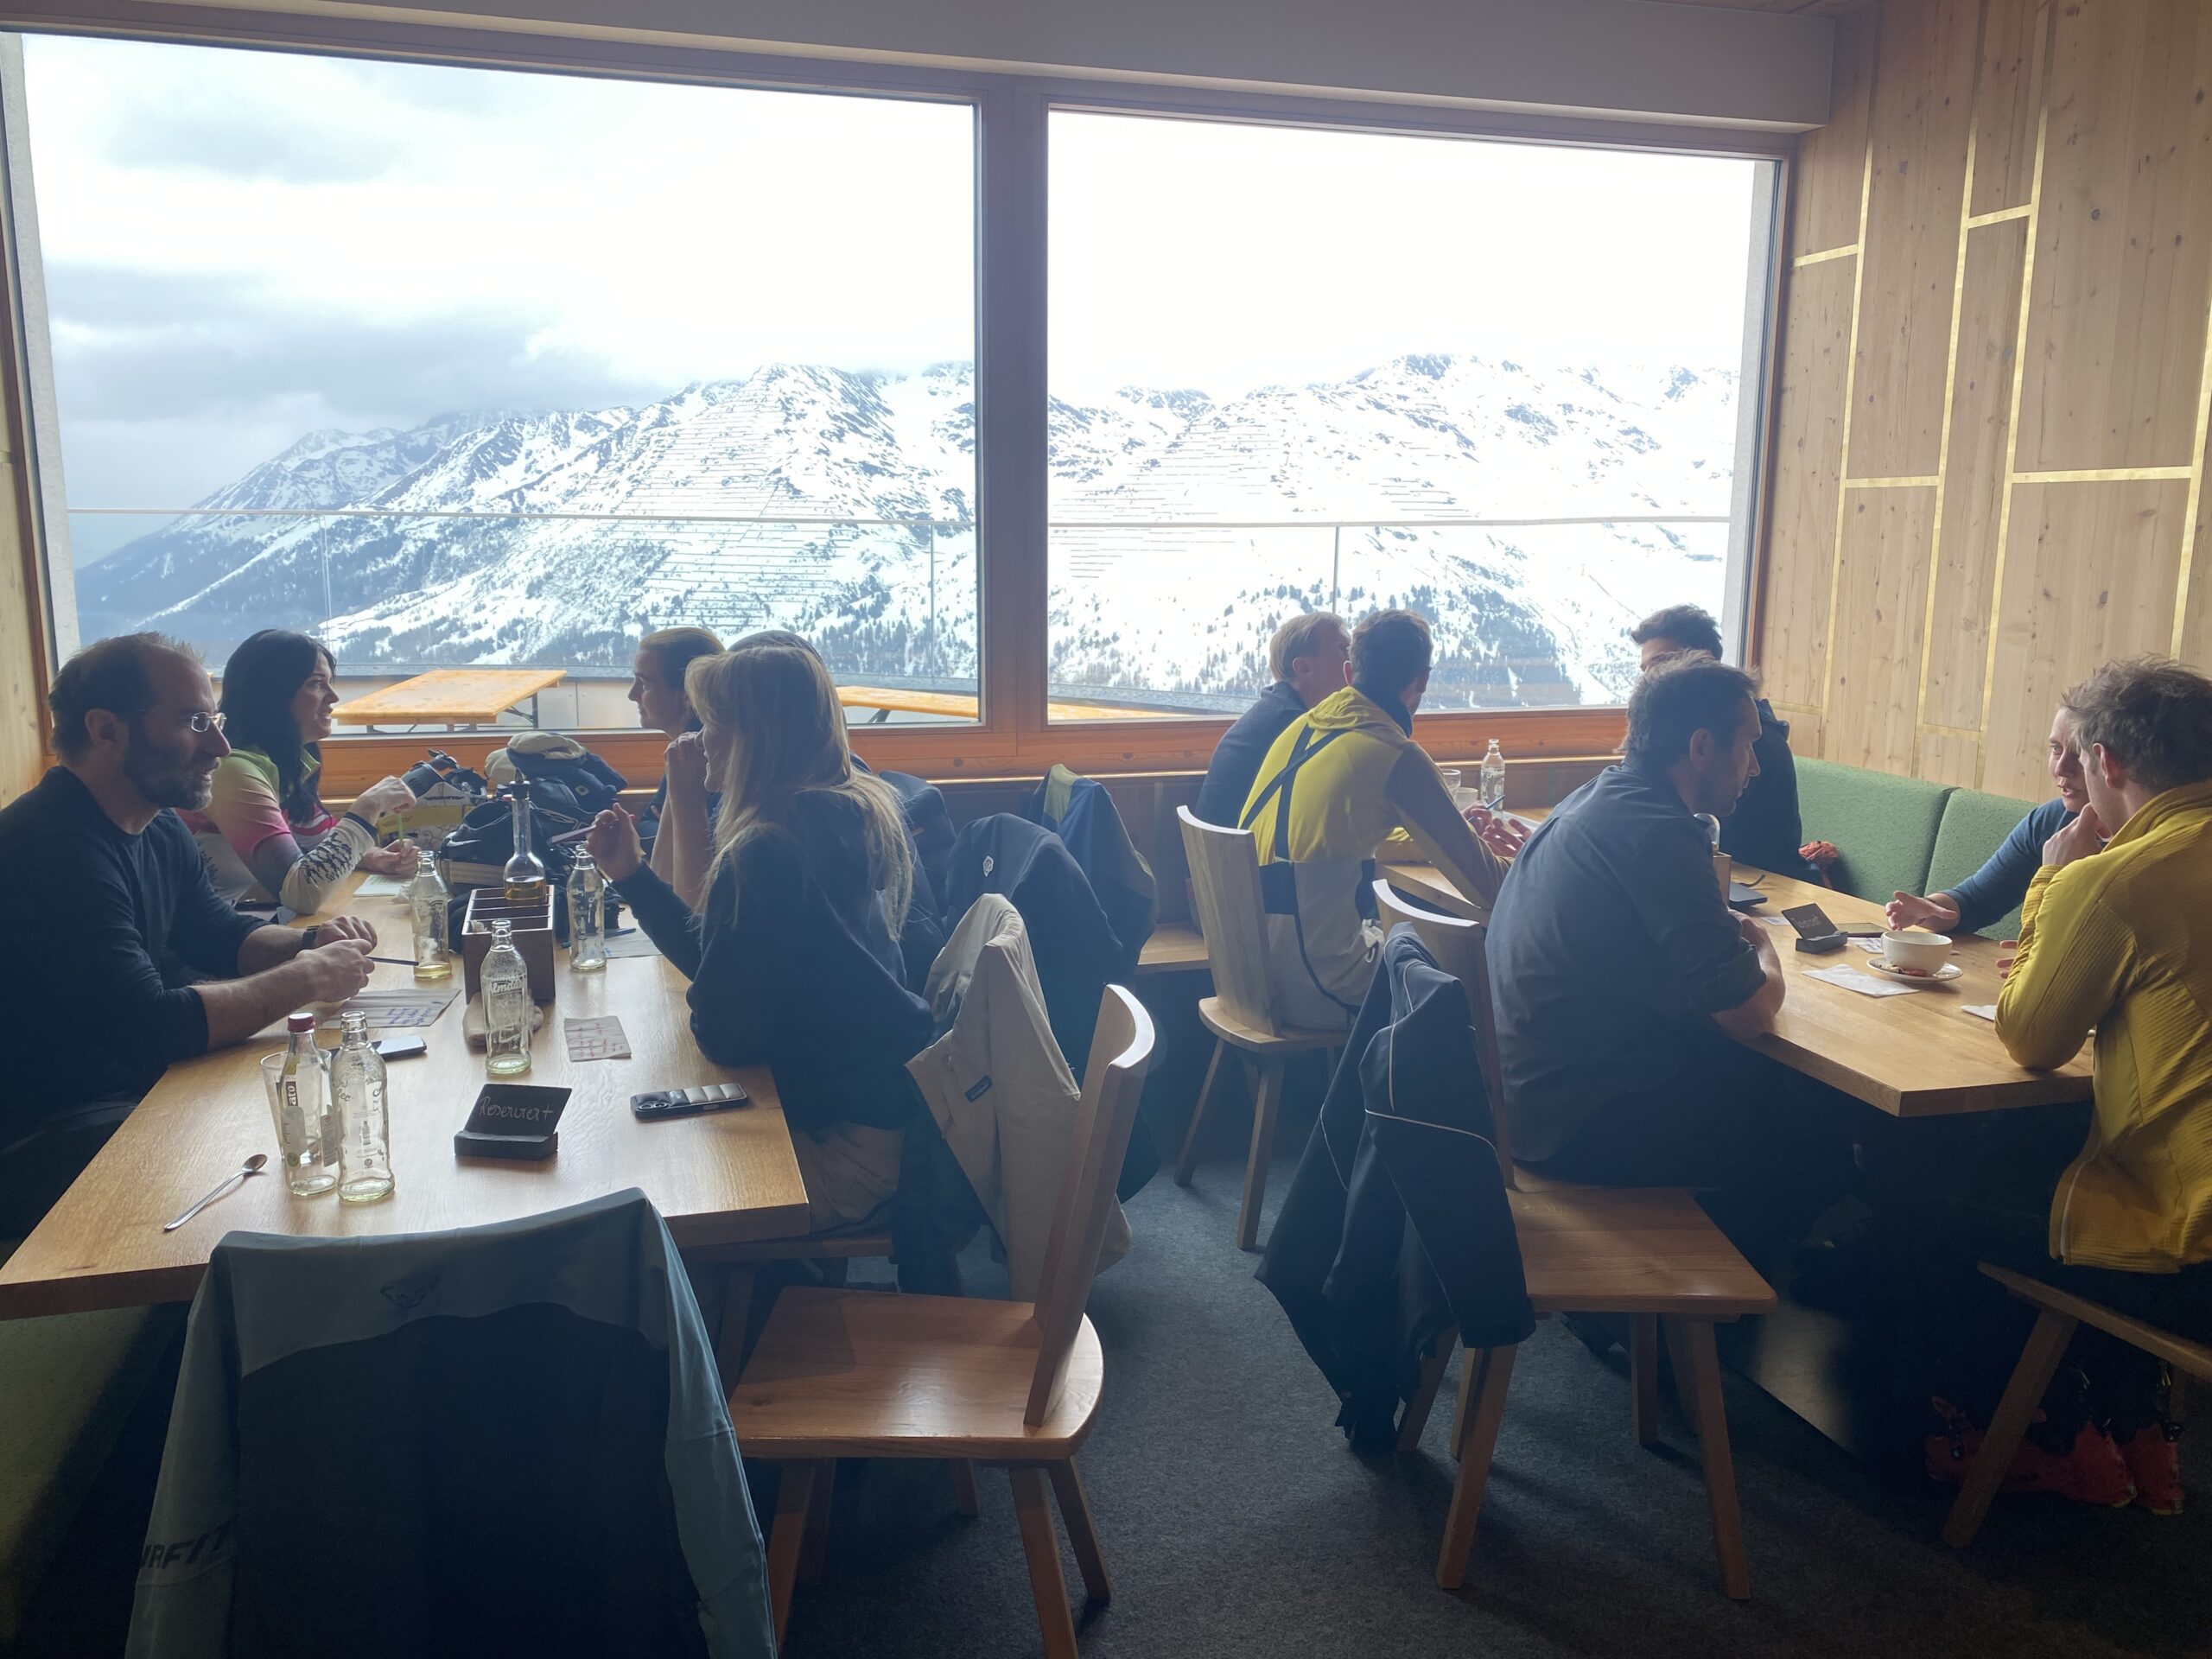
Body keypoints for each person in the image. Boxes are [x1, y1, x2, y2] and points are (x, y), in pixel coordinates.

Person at [1906, 658, 2212, 1514]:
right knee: (2051, 1152)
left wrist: (2051, 878)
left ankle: (2044, 1436)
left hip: (2191, 1254)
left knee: (1923, 1187)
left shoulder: (2116, 875)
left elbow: (2030, 1037)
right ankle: (2138, 1428)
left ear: (2107, 760)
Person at [0, 635, 379, 1236]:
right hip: (53, 1138)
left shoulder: (155, 824)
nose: (219, 746)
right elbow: (152, 1027)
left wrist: (310, 945)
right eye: (193, 722)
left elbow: (218, 933)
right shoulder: (50, 849)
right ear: (106, 730)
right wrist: (306, 978)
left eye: (216, 721)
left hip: (138, 1094)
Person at [1487, 655, 1853, 1255]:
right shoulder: (1661, 829)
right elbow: (1748, 1014)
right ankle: (1728, 1287)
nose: (1757, 766)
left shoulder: (1595, 799)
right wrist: (1764, 948)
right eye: (1748, 746)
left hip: (1526, 1104)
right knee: (1815, 1124)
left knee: (1782, 1102)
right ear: (1702, 747)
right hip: (1583, 1123)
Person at [585, 645, 932, 1229]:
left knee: (633, 1197)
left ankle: (735, 1284)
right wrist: (632, 877)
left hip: (843, 1156)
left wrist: (709, 997)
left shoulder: (765, 852)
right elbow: (724, 960)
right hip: (880, 1124)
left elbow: (724, 1036)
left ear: (754, 738)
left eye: (712, 724)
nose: (701, 739)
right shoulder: (831, 815)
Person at [1238, 609, 1510, 1029]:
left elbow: (1341, 833)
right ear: (1422, 680)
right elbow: (1489, 886)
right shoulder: (1394, 753)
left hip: (1252, 973)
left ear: (1350, 672)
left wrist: (1444, 837)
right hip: (1322, 982)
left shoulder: (1301, 729)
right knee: (1478, 975)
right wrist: (1539, 854)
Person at [179, 629, 417, 913]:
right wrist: (368, 807)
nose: (333, 697)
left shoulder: (285, 763)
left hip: (216, 924)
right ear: (272, 694)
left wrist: (373, 856)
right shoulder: (232, 771)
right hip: (179, 936)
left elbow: (319, 839)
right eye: (316, 684)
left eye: (329, 683)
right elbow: (300, 892)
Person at [1630, 603, 1821, 880]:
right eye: (1645, 670)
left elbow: (1691, 839)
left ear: (1703, 664)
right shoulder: (1682, 735)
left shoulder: (1747, 740)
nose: (1650, 681)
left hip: (1765, 884)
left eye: (1661, 665)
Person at [1885, 703, 2094, 935]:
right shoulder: (2049, 821)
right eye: (2056, 749)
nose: (2061, 768)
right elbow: (1977, 901)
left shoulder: (2128, 842)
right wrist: (1927, 909)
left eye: (2078, 753)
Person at [1194, 612, 1350, 825]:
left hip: (1227, 845)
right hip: (1250, 845)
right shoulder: (1295, 725)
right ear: (1303, 667)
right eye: (1342, 650)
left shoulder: (1276, 708)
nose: (1353, 659)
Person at [627, 626, 724, 909]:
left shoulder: (706, 763)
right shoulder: (683, 752)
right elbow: (646, 824)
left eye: (644, 683)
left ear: (686, 696)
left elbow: (668, 879)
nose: (632, 694)